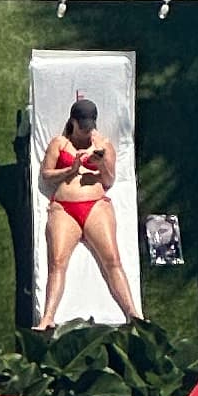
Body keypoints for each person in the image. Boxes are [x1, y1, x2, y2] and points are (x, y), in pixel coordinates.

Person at [36, 93, 139, 326]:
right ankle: (48, 317)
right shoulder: (59, 143)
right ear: (73, 122)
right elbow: (46, 174)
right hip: (64, 208)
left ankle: (133, 313)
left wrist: (101, 161)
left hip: (95, 205)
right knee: (58, 262)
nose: (86, 132)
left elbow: (109, 180)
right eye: (82, 127)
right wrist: (70, 170)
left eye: (89, 127)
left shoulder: (103, 144)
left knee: (112, 259)